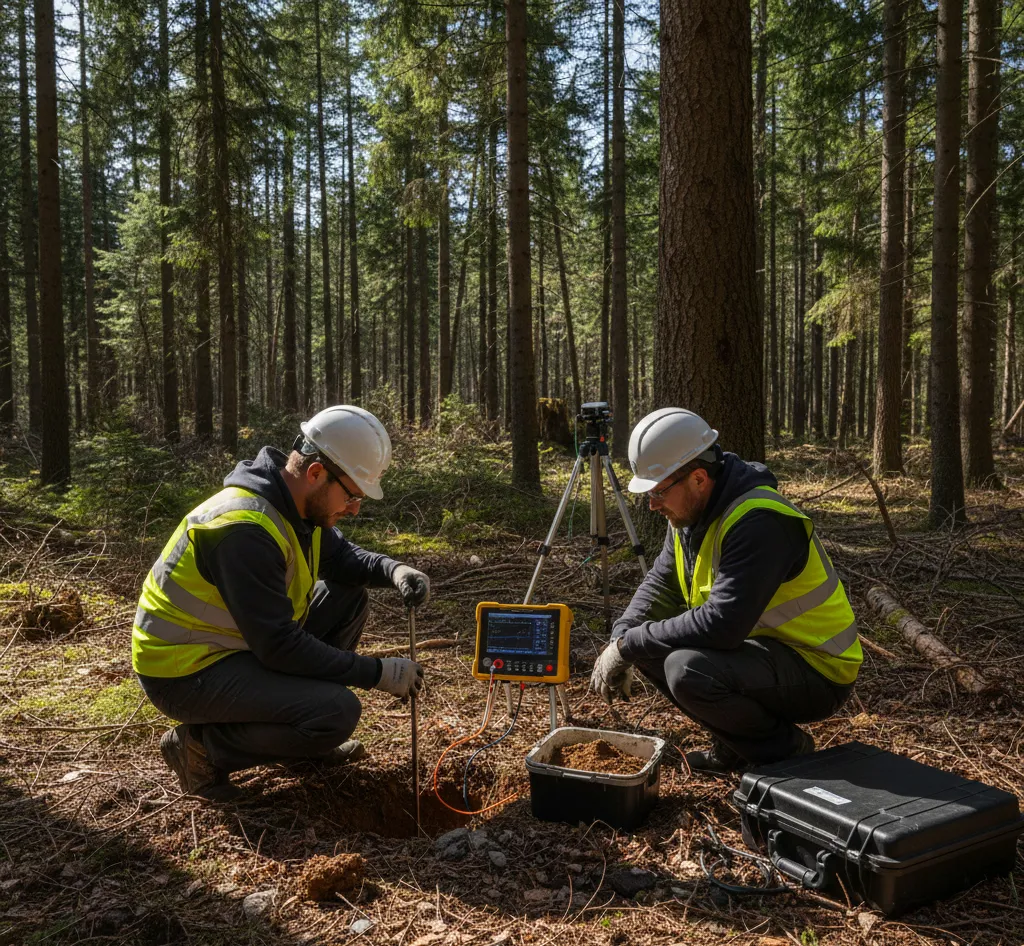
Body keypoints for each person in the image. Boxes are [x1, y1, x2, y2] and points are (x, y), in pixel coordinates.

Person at [133, 405, 429, 800]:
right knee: (336, 712)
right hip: (184, 671)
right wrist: (378, 673)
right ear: (316, 473)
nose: (355, 508)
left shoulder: (296, 505)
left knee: (348, 597)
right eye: (353, 494)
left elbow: (342, 561)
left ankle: (298, 738)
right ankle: (199, 750)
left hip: (233, 649)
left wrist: (394, 570)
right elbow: (279, 646)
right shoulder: (243, 529)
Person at [591, 407, 861, 774]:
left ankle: (786, 755)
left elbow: (722, 625)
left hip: (817, 667)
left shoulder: (760, 521)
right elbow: (661, 583)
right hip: (761, 654)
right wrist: (621, 638)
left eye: (658, 492)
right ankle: (737, 746)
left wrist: (630, 645)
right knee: (651, 647)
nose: (652, 505)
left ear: (699, 478)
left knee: (686, 669)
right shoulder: (690, 513)